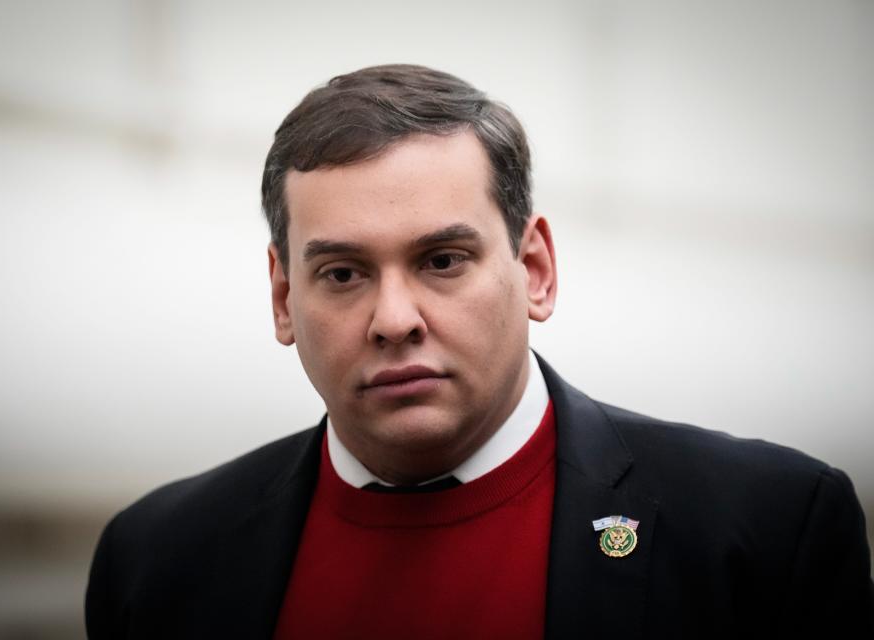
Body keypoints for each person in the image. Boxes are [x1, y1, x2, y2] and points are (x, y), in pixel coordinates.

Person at [85, 64, 873, 639]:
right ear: (285, 298)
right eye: (343, 273)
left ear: (534, 270)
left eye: (442, 261)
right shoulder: (158, 560)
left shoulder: (763, 534)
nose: (394, 319)